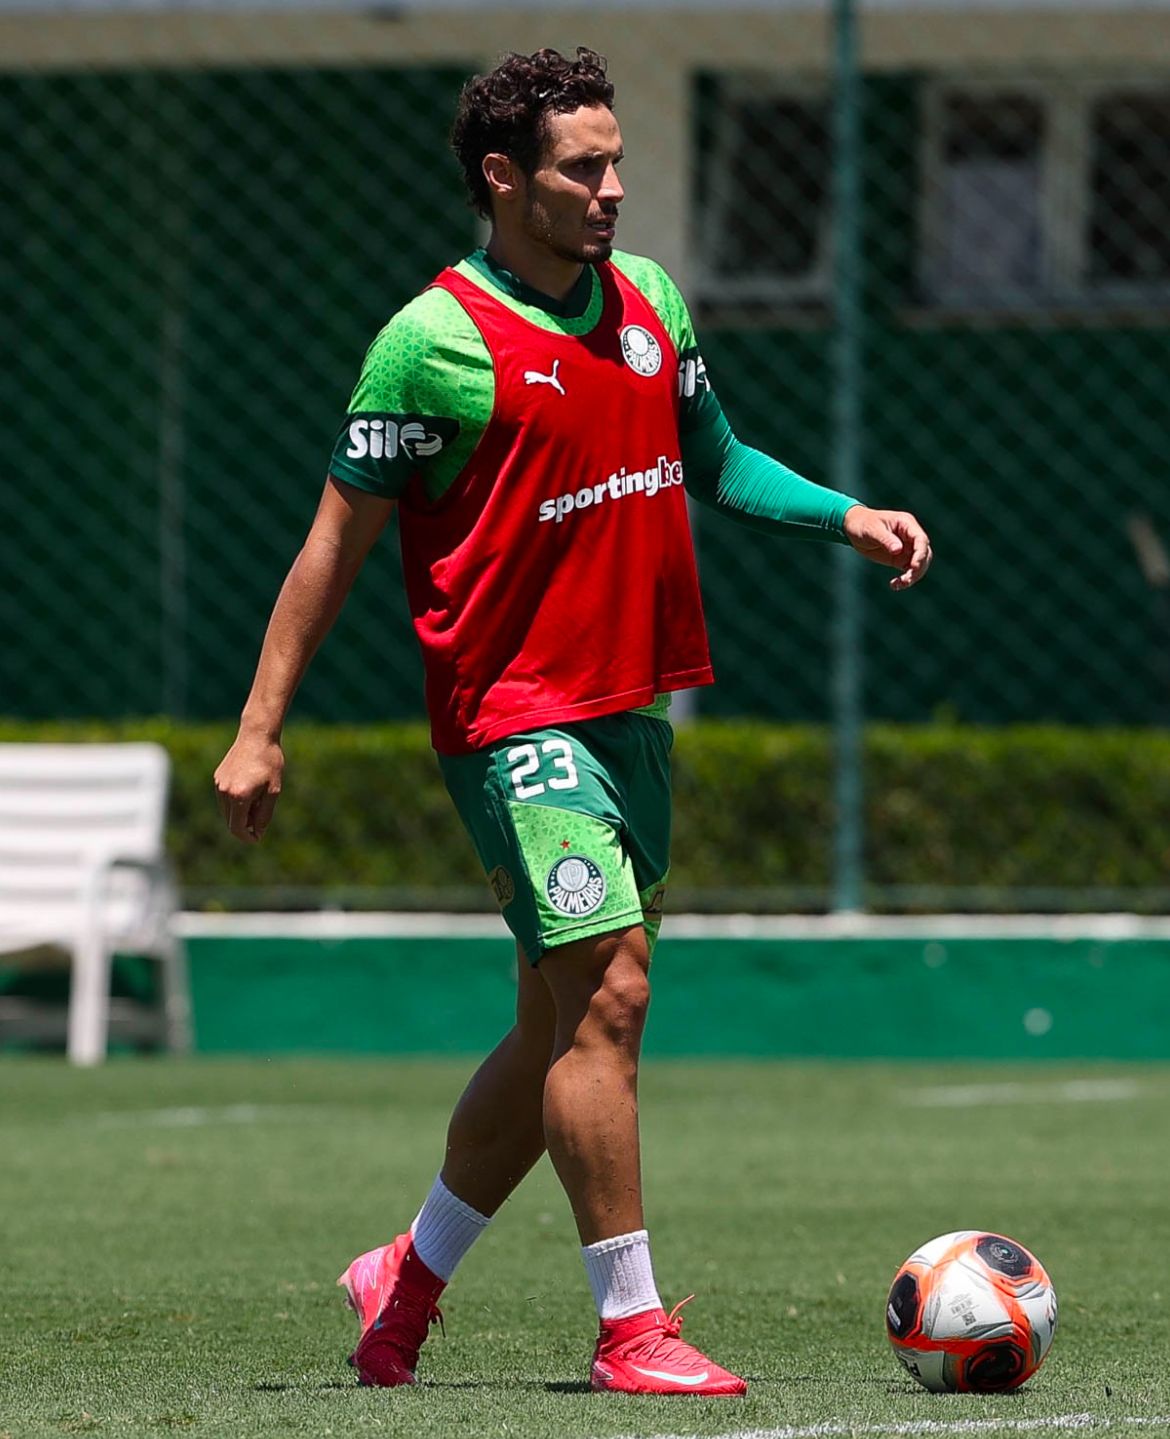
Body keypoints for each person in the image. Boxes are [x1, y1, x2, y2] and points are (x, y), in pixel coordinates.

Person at [213, 46, 932, 1398]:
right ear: (502, 178)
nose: (610, 190)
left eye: (615, 164)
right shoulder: (432, 343)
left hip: (631, 718)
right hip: (510, 720)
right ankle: (629, 1329)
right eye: (580, 168)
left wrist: (842, 512)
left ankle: (404, 1281)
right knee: (609, 990)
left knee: (558, 1029)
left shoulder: (648, 299)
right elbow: (330, 548)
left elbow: (712, 459)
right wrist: (260, 729)